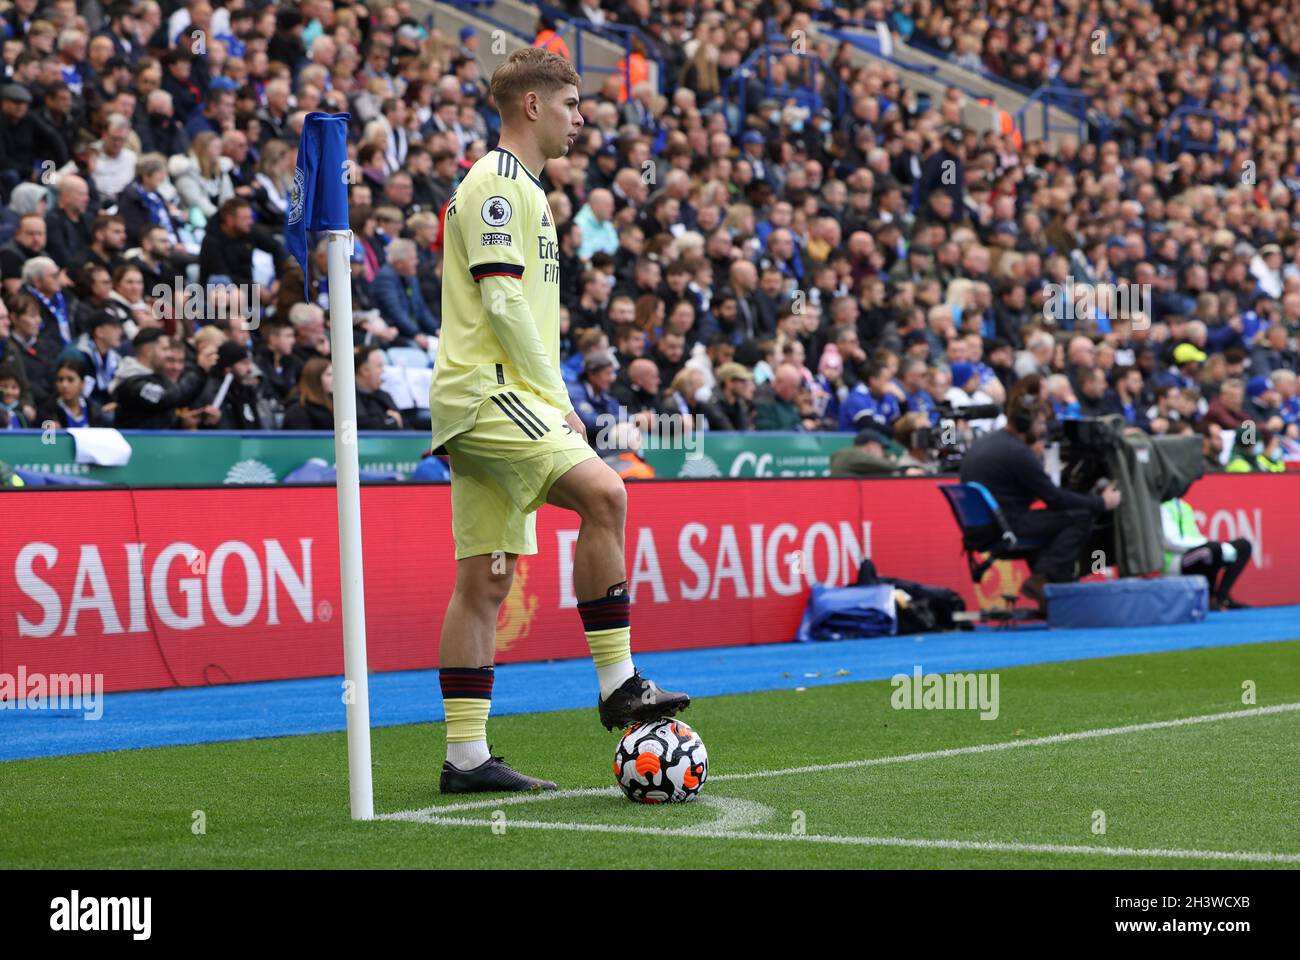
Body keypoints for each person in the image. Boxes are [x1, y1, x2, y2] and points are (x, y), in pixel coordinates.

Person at [427, 47, 688, 794]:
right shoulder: (498, 184)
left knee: (485, 580)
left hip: (481, 397)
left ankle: (466, 759)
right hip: (492, 391)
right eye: (572, 104)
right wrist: (560, 396)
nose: (582, 118)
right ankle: (618, 683)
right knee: (607, 494)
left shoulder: (526, 191)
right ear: (533, 105)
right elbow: (503, 302)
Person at [958, 377, 1121, 609]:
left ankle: (1050, 593)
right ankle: (1042, 578)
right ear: (1026, 424)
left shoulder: (989, 443)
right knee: (1080, 517)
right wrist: (1100, 502)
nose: (1044, 430)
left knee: (1053, 524)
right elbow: (1055, 499)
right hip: (1005, 525)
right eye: (1041, 424)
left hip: (986, 526)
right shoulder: (1017, 453)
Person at [1160, 496, 1252, 610]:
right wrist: (1211, 545)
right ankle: (1209, 598)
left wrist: (1217, 546)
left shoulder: (1185, 506)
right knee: (1211, 550)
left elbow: (1195, 536)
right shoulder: (1161, 507)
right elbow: (1171, 542)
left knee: (1243, 546)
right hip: (1175, 561)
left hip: (1194, 551)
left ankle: (1222, 598)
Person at [37, 357, 107, 427]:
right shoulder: (47, 412)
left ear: (82, 383)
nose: (64, 385)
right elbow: (45, 437)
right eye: (60, 380)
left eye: (70, 380)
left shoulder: (94, 410)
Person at [281, 357, 333, 430]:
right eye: (329, 375)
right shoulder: (297, 411)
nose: (334, 379)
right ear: (314, 378)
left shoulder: (334, 404)